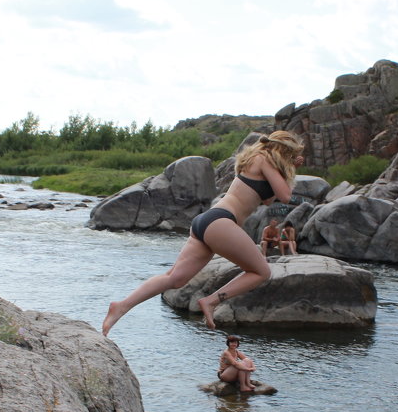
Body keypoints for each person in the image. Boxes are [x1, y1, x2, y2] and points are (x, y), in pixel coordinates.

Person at [102, 130, 305, 335]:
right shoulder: (264, 159)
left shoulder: (255, 159)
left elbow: (269, 199)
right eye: (290, 155)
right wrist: (290, 169)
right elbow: (285, 196)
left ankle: (121, 306)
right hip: (221, 223)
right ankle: (211, 301)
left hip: (207, 221)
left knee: (174, 278)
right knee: (261, 272)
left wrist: (288, 168)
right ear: (283, 151)